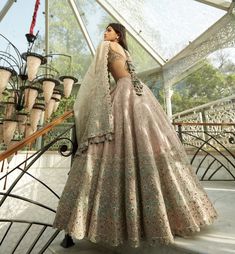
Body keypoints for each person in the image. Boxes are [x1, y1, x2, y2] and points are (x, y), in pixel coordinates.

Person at [53, 23, 217, 248]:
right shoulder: (111, 48)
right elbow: (99, 77)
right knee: (132, 142)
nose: (105, 33)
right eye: (106, 31)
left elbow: (109, 76)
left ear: (118, 34)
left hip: (133, 95)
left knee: (148, 142)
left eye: (109, 30)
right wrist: (99, 105)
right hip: (130, 94)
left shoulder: (116, 48)